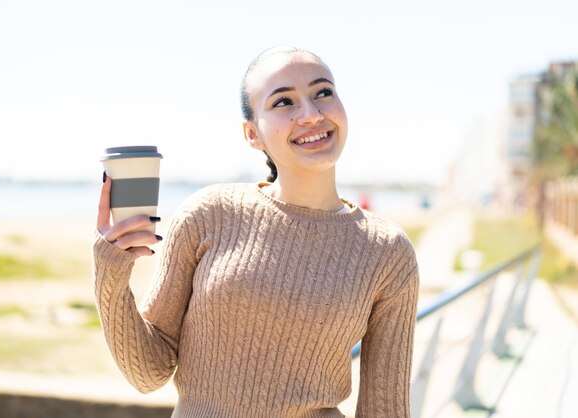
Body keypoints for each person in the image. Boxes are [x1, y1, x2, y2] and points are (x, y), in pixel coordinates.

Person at [93, 46, 419, 417]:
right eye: (284, 102)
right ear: (253, 134)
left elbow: (386, 410)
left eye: (323, 93)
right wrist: (111, 272)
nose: (311, 115)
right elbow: (148, 373)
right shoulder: (209, 214)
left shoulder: (388, 252)